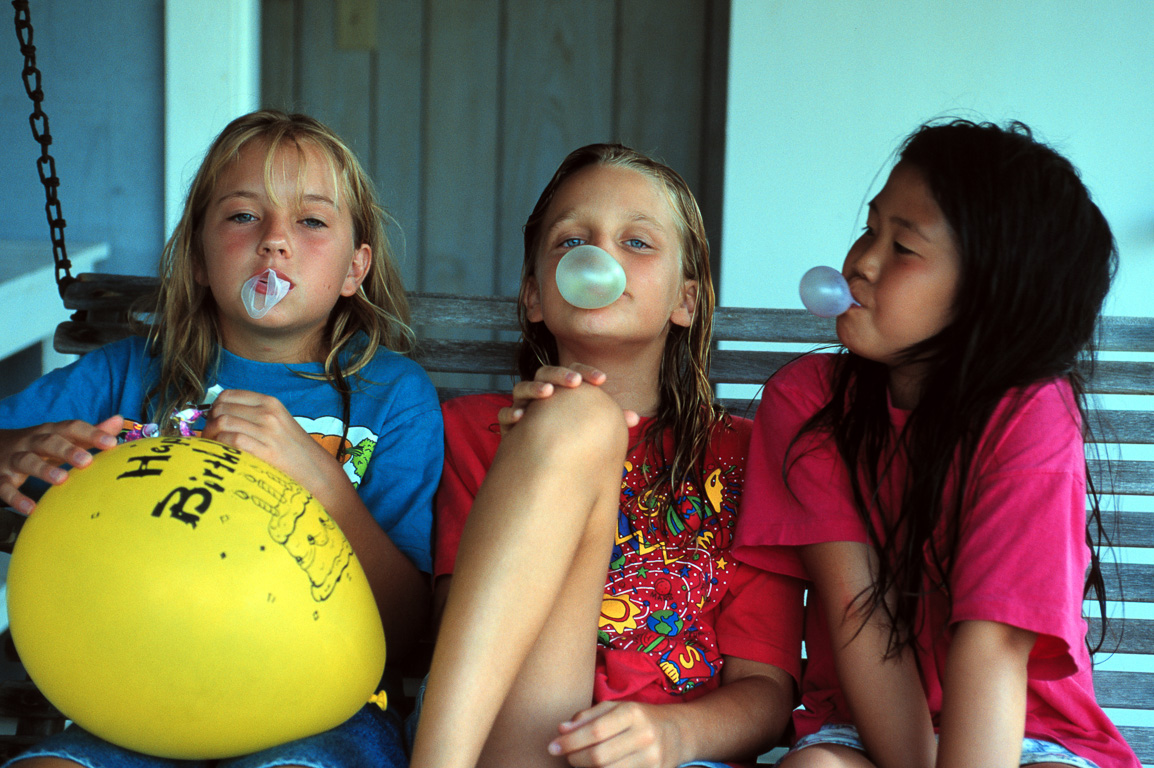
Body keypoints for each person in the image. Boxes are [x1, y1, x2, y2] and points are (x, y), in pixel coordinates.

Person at [0, 110, 442, 768]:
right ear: (201, 258)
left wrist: (320, 483)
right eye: (242, 216)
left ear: (356, 268)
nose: (274, 243)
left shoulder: (393, 397)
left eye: (311, 220)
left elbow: (409, 632)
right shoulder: (127, 374)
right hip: (130, 702)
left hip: (323, 720)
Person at [731, 119, 1139, 768]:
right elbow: (859, 617)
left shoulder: (1030, 414)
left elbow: (993, 648)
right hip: (858, 727)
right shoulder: (808, 401)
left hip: (1031, 733)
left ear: (986, 294)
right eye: (870, 230)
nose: (861, 261)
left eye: (904, 248)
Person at [408, 143, 803, 768]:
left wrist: (674, 736)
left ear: (687, 300)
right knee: (579, 415)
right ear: (535, 295)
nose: (600, 258)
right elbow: (460, 639)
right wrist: (534, 462)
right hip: (513, 744)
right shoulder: (479, 431)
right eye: (572, 242)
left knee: (581, 415)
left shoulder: (746, 457)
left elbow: (766, 691)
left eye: (638, 243)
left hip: (670, 756)